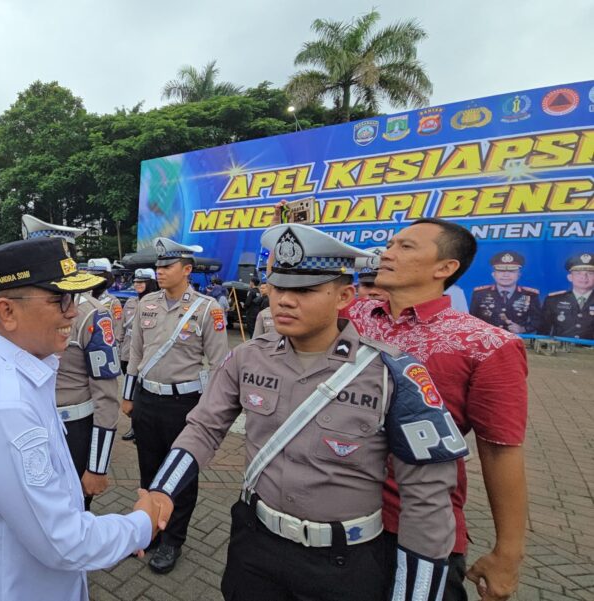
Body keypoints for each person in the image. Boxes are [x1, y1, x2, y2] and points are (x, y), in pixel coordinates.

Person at [144, 223, 466, 601]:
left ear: (344, 296)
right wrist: (162, 491)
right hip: (256, 545)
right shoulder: (246, 358)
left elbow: (427, 499)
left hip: (344, 561)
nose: (285, 300)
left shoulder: (392, 374)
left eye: (304, 290)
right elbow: (204, 427)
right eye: (278, 287)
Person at [0, 236, 166, 601]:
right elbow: (64, 541)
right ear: (7, 312)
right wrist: (142, 524)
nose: (72, 312)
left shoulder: (21, 369)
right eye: (60, 300)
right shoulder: (5, 404)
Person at [339, 217, 528, 601]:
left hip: (414, 522)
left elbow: (499, 449)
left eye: (405, 247)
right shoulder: (349, 316)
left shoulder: (487, 345)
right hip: (333, 506)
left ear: (445, 267)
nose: (387, 253)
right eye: (390, 245)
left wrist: (508, 553)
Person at [122, 237, 229, 573]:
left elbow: (219, 364)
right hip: (146, 399)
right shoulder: (146, 303)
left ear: (186, 270)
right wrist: (128, 395)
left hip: (184, 404)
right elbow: (135, 353)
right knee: (149, 469)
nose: (160, 271)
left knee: (181, 475)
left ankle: (172, 540)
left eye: (167, 266)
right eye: (158, 266)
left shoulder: (207, 308)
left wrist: (208, 412)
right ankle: (150, 531)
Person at [23, 217, 122, 511]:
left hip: (71, 429)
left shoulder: (91, 314)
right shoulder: (19, 307)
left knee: (72, 513)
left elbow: (106, 395)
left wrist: (97, 467)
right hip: (27, 425)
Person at [119, 268, 158, 442]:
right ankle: (135, 425)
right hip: (128, 354)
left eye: (142, 282)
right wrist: (118, 347)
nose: (138, 285)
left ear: (150, 283)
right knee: (132, 392)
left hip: (146, 355)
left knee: (142, 394)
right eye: (136, 282)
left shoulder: (158, 302)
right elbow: (122, 327)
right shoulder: (130, 302)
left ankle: (141, 428)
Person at [469, 252, 541, 334]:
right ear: (493, 274)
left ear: (519, 274)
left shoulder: (530, 294)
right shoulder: (480, 293)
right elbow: (472, 319)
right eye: (500, 271)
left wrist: (522, 329)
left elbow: (538, 320)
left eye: (511, 271)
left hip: (516, 339)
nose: (506, 275)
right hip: (488, 338)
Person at [540, 253, 594, 340]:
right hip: (560, 348)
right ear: (570, 277)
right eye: (578, 273)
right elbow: (542, 331)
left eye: (590, 273)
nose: (584, 277)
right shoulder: (553, 300)